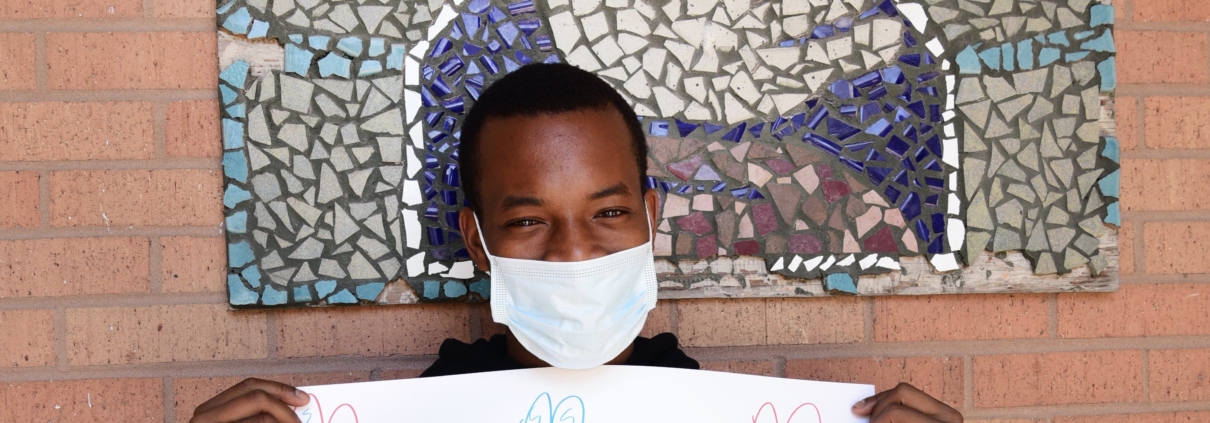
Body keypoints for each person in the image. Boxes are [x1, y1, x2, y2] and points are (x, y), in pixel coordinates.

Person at [191, 63, 964, 423]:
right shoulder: (419, 410)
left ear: (651, 219)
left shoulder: (718, 408)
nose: (573, 254)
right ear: (479, 240)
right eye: (529, 221)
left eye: (608, 214)